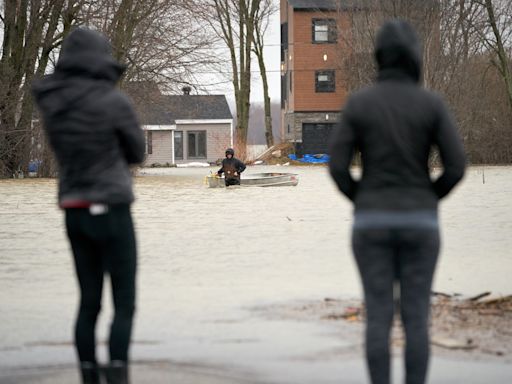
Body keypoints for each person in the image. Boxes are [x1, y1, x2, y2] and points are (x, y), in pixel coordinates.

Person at [329, 20, 465, 384]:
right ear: (414, 58)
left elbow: (337, 168)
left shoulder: (359, 103)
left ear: (379, 57)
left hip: (370, 223)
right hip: (420, 223)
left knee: (378, 316)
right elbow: (456, 167)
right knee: (416, 317)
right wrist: (426, 199)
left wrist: (363, 199)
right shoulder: (430, 103)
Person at [32, 28, 145, 384]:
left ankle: (88, 376)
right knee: (123, 301)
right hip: (112, 207)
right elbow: (137, 152)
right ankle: (117, 376)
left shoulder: (52, 103)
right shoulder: (113, 101)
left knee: (88, 301)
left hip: (74, 208)